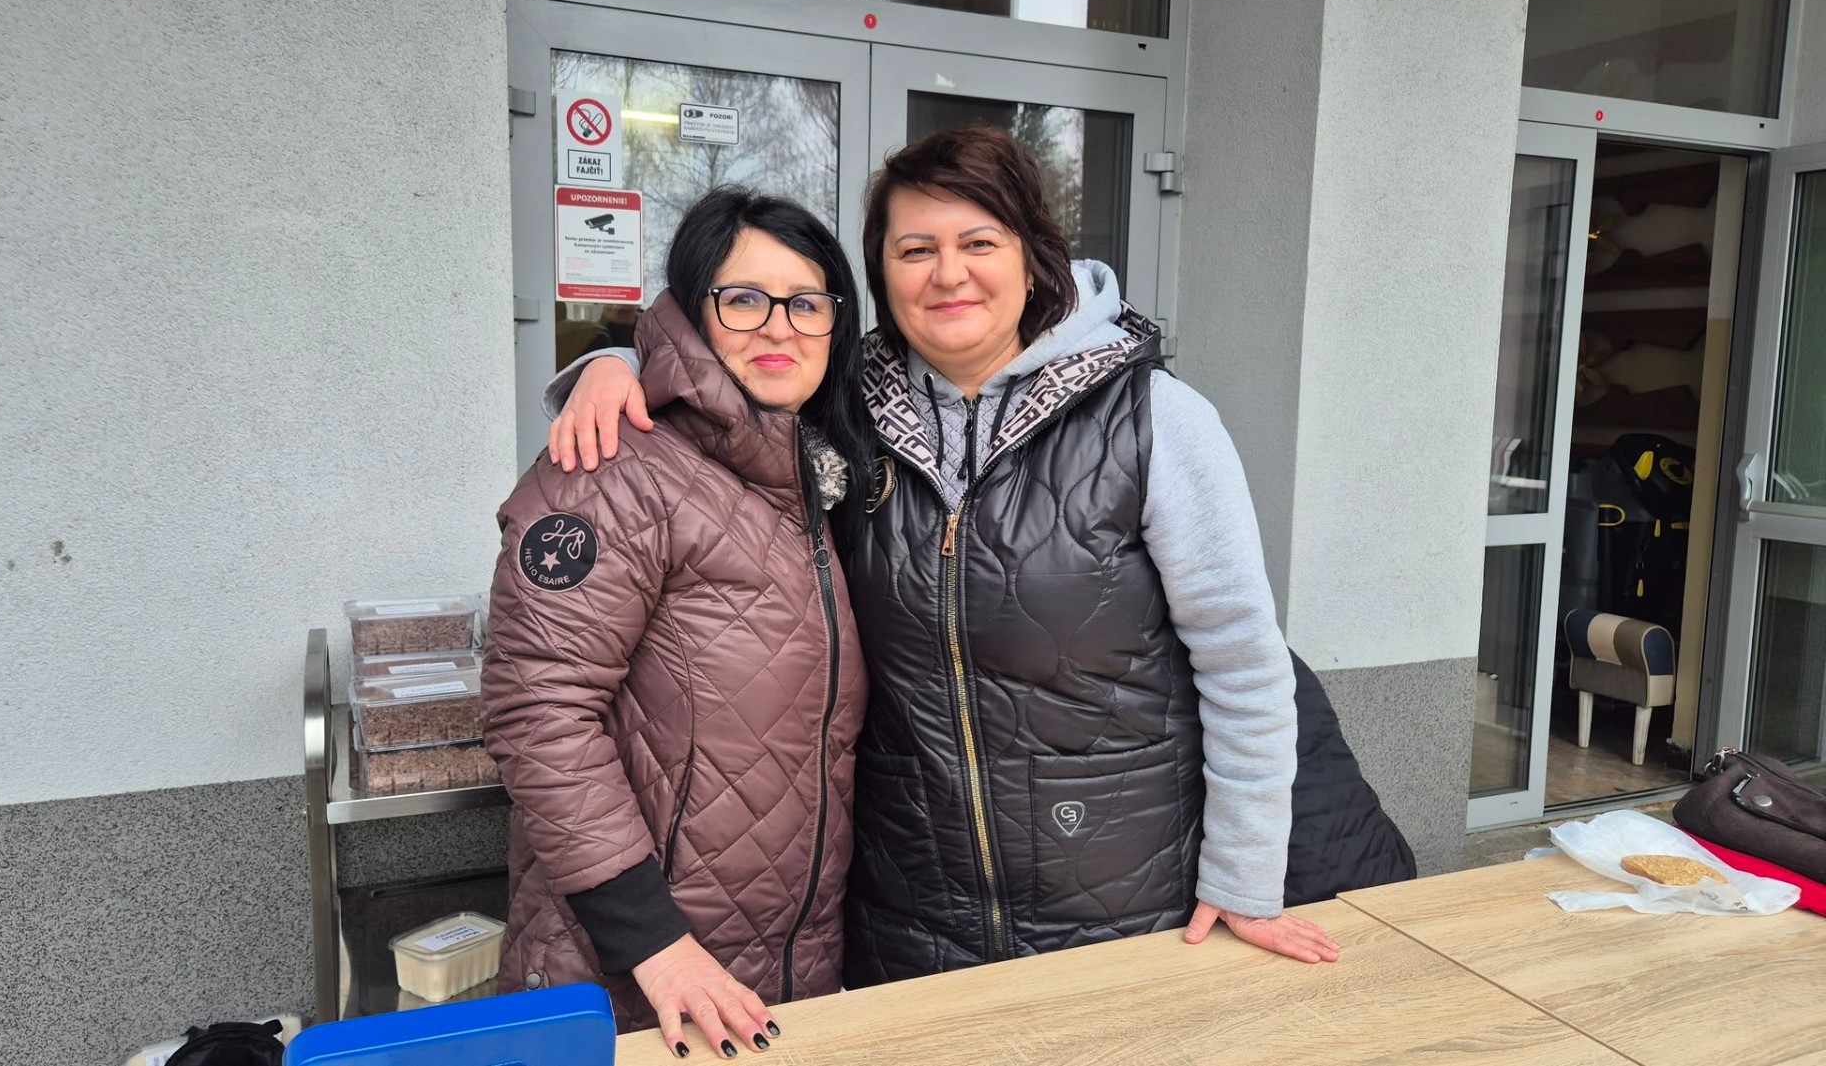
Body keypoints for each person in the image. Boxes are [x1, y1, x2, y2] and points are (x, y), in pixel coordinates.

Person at [546, 127, 1415, 985]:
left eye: (978, 242)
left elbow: (1242, 664)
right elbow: (727, 380)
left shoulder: (1153, 418)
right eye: (915, 248)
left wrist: (1244, 874)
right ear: (881, 274)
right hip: (912, 919)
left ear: (1034, 257)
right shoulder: (840, 413)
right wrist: (615, 366)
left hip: (1125, 912)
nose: (948, 273)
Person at [482, 187, 876, 1059]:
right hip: (637, 977)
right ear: (694, 311)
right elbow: (538, 710)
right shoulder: (611, 464)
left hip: (781, 971)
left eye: (807, 304)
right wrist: (655, 944)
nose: (779, 327)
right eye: (745, 299)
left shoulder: (811, 480)